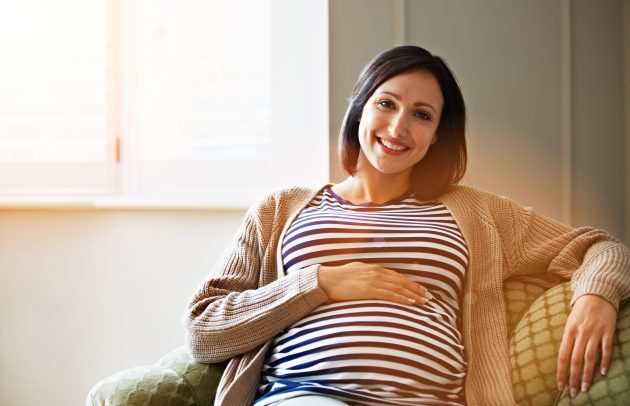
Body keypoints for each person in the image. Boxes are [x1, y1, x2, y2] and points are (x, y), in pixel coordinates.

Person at [184, 45, 630, 405]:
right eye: (387, 103)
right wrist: (320, 282)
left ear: (436, 135)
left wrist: (595, 297)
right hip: (307, 397)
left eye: (422, 115)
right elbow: (204, 329)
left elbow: (598, 246)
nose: (399, 127)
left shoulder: (476, 213)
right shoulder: (280, 210)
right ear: (360, 108)